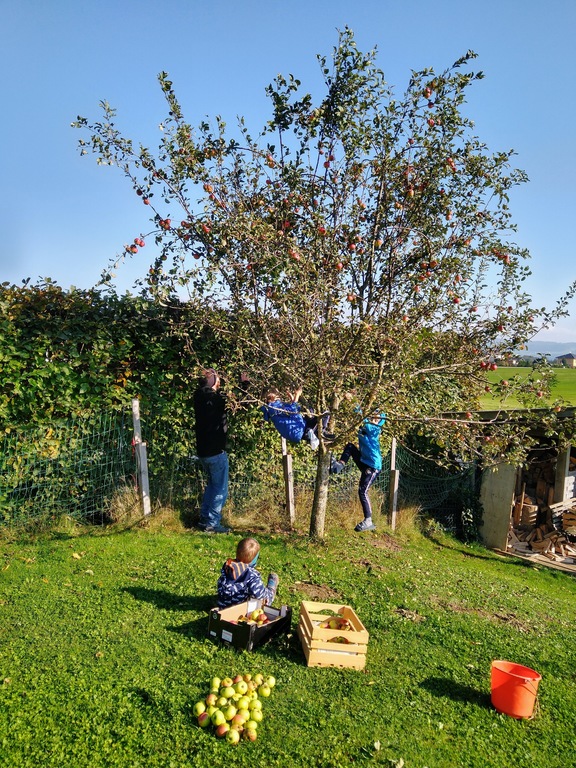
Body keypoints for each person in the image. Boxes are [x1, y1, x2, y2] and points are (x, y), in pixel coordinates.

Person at [194, 367, 249, 533]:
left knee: (212, 485)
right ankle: (212, 523)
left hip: (203, 451)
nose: (219, 381)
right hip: (215, 451)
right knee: (220, 489)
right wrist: (245, 384)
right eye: (217, 378)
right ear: (211, 381)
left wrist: (214, 384)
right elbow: (237, 403)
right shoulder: (214, 399)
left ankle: (205, 519)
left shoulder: (198, 396)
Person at [330, 413, 386, 532]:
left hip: (373, 466)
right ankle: (339, 465)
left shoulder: (373, 428)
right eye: (373, 418)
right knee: (350, 447)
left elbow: (361, 416)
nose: (374, 420)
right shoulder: (367, 425)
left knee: (363, 491)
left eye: (376, 419)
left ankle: (368, 520)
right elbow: (362, 417)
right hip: (364, 461)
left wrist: (355, 403)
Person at [261, 385, 331, 450]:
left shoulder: (274, 407)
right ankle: (315, 434)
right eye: (276, 393)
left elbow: (296, 408)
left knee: (316, 412)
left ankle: (314, 434)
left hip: (298, 429)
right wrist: (296, 396)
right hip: (298, 428)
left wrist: (293, 400)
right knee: (324, 415)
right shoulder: (274, 407)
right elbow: (292, 411)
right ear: (271, 396)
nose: (278, 395)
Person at [217, 537, 279, 609]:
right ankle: (272, 587)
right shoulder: (252, 575)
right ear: (254, 559)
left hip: (223, 607)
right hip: (241, 610)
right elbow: (261, 596)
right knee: (266, 598)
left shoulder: (228, 566)